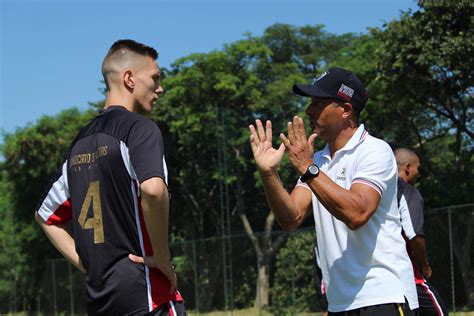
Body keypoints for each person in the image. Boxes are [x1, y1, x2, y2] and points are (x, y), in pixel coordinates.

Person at [249, 67, 418, 315]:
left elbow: (357, 214)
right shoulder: (318, 160)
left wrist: (308, 168)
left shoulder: (375, 151)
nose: (308, 110)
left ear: (346, 110)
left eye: (318, 103)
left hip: (383, 297)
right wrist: (268, 174)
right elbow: (291, 217)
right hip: (340, 302)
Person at [35, 39, 186, 315]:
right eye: (155, 78)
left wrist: (88, 264)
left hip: (101, 299)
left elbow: (46, 216)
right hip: (148, 296)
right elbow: (153, 190)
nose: (160, 88)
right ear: (129, 78)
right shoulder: (140, 130)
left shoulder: (78, 143)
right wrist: (162, 259)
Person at [395, 148, 449, 316]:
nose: (419, 173)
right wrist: (425, 266)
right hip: (409, 276)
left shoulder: (378, 191)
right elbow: (414, 234)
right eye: (418, 168)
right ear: (408, 167)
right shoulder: (408, 191)